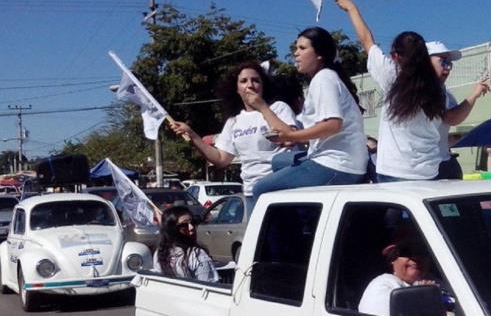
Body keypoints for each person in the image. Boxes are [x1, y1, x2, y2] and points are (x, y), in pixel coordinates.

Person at [334, 0, 446, 182]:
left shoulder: (391, 76)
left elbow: (366, 40)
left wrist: (351, 8)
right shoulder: (437, 87)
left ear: (396, 56)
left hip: (395, 169)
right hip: (429, 171)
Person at [169, 61, 304, 212]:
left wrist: (262, 107)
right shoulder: (234, 121)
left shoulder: (278, 108)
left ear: (263, 85)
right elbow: (221, 159)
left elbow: (291, 137)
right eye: (244, 81)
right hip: (251, 193)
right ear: (237, 89)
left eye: (256, 80)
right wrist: (192, 135)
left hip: (281, 189)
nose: (250, 85)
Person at [251, 27, 368, 193]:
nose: (296, 53)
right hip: (342, 160)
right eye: (296, 48)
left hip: (338, 164)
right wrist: (263, 107)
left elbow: (333, 125)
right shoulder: (325, 78)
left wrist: (291, 136)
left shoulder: (323, 79)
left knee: (261, 189)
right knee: (278, 161)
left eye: (302, 48)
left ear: (319, 54)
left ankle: (298, 218)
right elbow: (298, 132)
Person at [425, 41, 491, 179]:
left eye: (449, 63)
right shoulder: (420, 90)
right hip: (424, 164)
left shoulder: (445, 93)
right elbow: (451, 117)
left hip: (442, 158)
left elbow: (454, 119)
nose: (448, 68)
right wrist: (474, 95)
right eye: (443, 62)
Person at [359, 235, 436, 316]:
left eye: (422, 253)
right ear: (392, 258)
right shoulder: (382, 284)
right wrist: (422, 297)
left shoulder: (441, 283)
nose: (415, 258)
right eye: (406, 252)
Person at [153, 206, 219, 282]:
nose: (191, 227)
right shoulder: (196, 254)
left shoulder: (196, 254)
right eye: (184, 225)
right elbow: (211, 286)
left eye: (193, 222)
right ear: (172, 229)